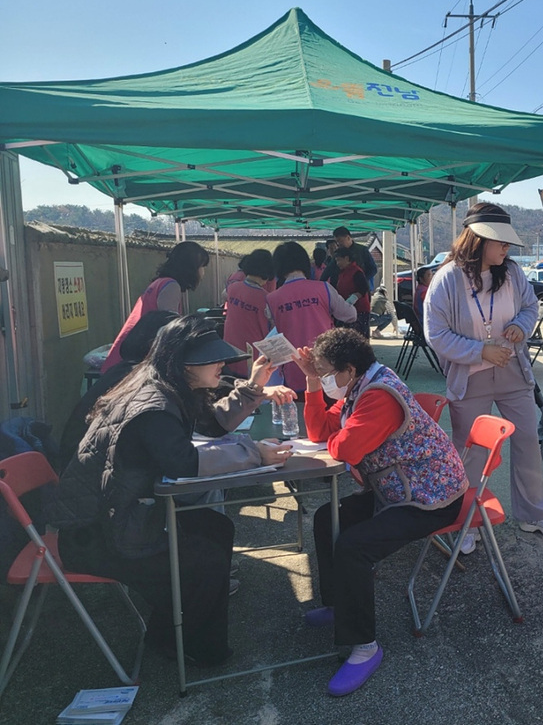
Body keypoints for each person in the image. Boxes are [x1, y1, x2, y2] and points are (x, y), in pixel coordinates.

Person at [47, 316, 293, 666]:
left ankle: (174, 636)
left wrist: (252, 387)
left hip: (119, 518)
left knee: (216, 527)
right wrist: (255, 453)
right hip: (96, 536)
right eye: (214, 358)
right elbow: (182, 462)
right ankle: (195, 648)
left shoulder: (163, 386)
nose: (222, 364)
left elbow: (209, 422)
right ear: (183, 363)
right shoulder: (153, 405)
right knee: (203, 560)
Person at [293, 328, 467, 696]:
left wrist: (338, 433)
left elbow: (344, 448)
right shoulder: (360, 387)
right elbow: (318, 431)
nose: (324, 379)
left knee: (355, 546)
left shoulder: (378, 397)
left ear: (349, 369)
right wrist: (310, 382)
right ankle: (340, 603)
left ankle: (365, 647)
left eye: (325, 372)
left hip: (431, 498)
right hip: (396, 492)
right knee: (328, 518)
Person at [425, 202, 543, 554]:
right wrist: (479, 351)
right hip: (469, 377)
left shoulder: (514, 273)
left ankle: (535, 512)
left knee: (528, 441)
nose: (506, 248)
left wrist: (520, 326)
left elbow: (531, 308)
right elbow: (436, 334)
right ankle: (467, 520)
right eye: (500, 242)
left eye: (507, 243)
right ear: (478, 239)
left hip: (512, 372)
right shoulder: (448, 278)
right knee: (470, 451)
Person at [59, 310, 179, 472]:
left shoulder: (125, 370)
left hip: (81, 468)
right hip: (91, 476)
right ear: (158, 345)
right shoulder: (142, 379)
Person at [101, 241, 209, 374]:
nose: (203, 272)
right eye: (202, 267)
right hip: (132, 362)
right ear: (190, 267)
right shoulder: (171, 287)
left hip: (126, 355)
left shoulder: (160, 282)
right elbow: (169, 331)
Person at [267, 242, 356, 393]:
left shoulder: (272, 299)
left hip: (293, 368)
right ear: (304, 262)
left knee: (300, 412)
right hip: (328, 365)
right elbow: (350, 315)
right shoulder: (323, 289)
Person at [223, 249, 274, 377]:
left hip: (230, 354)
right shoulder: (266, 299)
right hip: (253, 359)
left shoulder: (232, 288)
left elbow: (223, 295)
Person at [331, 246, 371, 337]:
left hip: (359, 311)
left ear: (347, 258)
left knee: (359, 338)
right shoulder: (342, 272)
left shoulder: (356, 272)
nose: (338, 263)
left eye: (339, 260)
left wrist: (352, 299)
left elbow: (363, 289)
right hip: (346, 309)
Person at [332, 226, 378, 292]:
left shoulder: (362, 250)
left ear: (348, 238)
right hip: (344, 289)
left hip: (361, 289)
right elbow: (331, 270)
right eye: (337, 241)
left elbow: (373, 269)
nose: (339, 244)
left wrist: (361, 279)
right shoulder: (338, 253)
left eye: (340, 241)